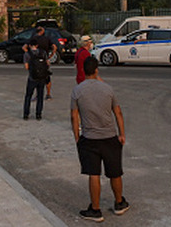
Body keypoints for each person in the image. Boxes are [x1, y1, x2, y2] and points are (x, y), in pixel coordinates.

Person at [70, 56, 129, 222]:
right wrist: (122, 134)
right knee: (115, 173)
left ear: (83, 70)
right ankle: (119, 203)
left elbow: (74, 117)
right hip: (110, 137)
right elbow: (118, 112)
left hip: (89, 139)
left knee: (93, 173)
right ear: (96, 70)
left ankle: (95, 210)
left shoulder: (77, 91)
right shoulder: (108, 89)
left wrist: (77, 137)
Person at [23, 39, 50, 120]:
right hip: (42, 78)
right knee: (40, 96)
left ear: (30, 45)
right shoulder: (43, 53)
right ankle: (38, 114)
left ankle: (26, 114)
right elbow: (47, 63)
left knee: (28, 96)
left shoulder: (27, 54)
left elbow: (26, 67)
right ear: (37, 45)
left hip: (32, 78)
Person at [30, 26, 57, 99]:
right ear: (42, 32)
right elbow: (54, 47)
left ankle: (37, 94)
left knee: (36, 76)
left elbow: (25, 47)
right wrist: (50, 56)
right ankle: (48, 94)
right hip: (45, 60)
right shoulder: (47, 39)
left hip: (36, 61)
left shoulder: (34, 39)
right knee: (47, 77)